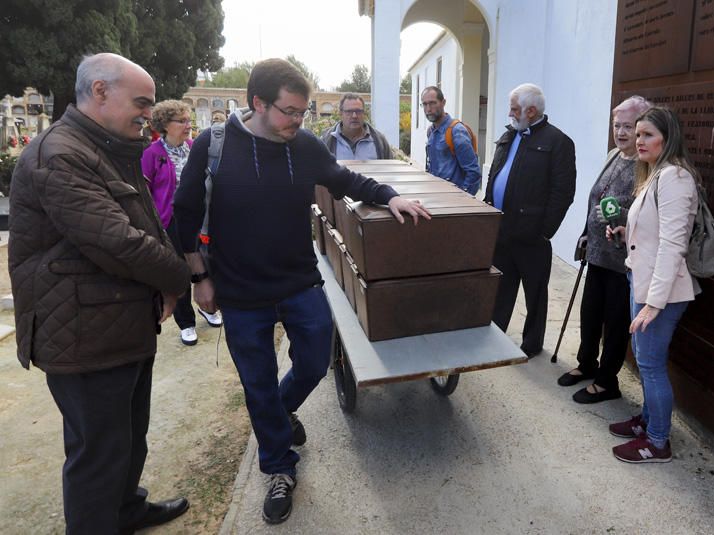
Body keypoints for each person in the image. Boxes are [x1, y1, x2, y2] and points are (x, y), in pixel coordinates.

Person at [172, 58, 429, 525]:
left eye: (304, 112)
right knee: (257, 381)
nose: (299, 120)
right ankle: (278, 468)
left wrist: (389, 195)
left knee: (315, 360)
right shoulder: (214, 146)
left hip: (298, 280)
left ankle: (278, 412)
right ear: (258, 104)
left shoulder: (305, 146)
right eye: (290, 111)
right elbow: (183, 217)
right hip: (240, 290)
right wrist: (198, 277)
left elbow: (345, 180)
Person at [8, 53, 192, 534]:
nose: (147, 114)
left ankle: (126, 510)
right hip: (84, 334)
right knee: (99, 455)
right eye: (141, 103)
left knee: (129, 439)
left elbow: (146, 222)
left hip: (116, 324)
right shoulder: (61, 153)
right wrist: (176, 278)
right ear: (100, 92)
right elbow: (117, 242)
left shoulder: (109, 147)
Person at [606, 106, 700, 463]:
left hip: (662, 293)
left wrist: (653, 303)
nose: (637, 140)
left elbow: (673, 245)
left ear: (668, 137)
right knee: (646, 360)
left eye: (647, 135)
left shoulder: (675, 177)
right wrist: (624, 232)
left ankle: (658, 441)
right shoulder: (656, 175)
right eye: (637, 133)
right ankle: (647, 421)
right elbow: (652, 233)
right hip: (643, 282)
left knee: (651, 365)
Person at [558, 96, 652, 403]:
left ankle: (606, 381)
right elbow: (597, 198)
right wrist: (587, 233)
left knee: (614, 323)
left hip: (623, 261)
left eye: (628, 126)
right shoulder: (614, 155)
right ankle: (587, 364)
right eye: (617, 125)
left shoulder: (646, 165)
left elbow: (645, 213)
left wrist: (620, 216)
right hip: (597, 253)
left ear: (642, 127)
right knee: (589, 315)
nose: (621, 133)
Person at [484, 83, 576, 358]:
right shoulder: (509, 135)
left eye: (514, 108)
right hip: (502, 229)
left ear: (531, 110)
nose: (510, 113)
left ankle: (532, 344)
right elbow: (496, 174)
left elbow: (563, 192)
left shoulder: (558, 142)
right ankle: (495, 336)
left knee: (535, 291)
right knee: (501, 286)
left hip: (532, 234)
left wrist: (545, 230)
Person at [142, 100, 222, 346]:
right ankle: (186, 322)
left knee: (203, 263)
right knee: (179, 269)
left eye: (189, 120)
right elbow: (145, 192)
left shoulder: (193, 148)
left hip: (197, 217)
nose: (188, 126)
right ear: (165, 125)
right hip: (169, 221)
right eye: (182, 121)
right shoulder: (152, 154)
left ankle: (208, 307)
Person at [421, 86, 481, 195]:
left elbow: (473, 173)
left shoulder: (457, 131)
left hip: (454, 202)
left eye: (432, 103)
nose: (428, 109)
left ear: (443, 103)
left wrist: (462, 200)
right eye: (424, 104)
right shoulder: (431, 131)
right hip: (436, 197)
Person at [320, 93, 392, 159]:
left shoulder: (379, 141)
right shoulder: (326, 140)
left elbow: (390, 169)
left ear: (364, 113)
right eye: (349, 111)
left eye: (358, 111)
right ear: (341, 113)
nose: (354, 116)